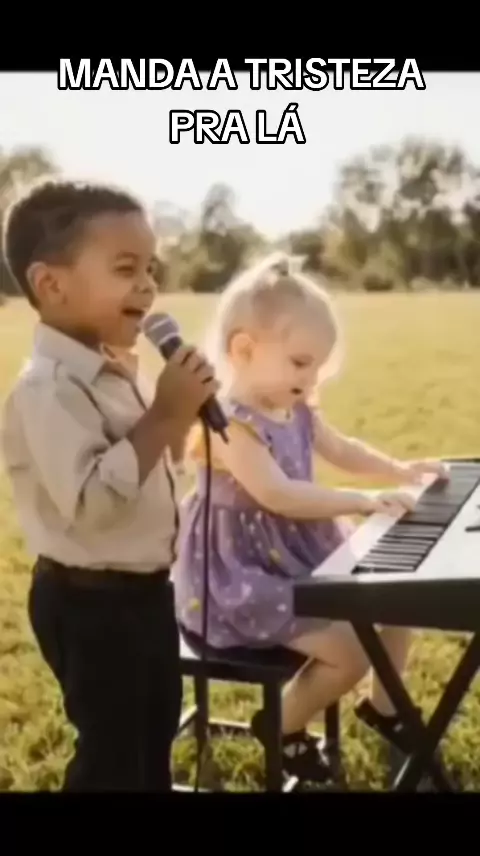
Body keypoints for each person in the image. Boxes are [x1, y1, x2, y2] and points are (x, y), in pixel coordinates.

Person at [172, 252, 448, 785]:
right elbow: (278, 495)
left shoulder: (294, 405)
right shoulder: (230, 424)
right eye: (301, 363)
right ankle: (281, 726)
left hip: (296, 556)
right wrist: (362, 501)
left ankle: (385, 709)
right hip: (240, 578)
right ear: (244, 350)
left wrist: (399, 469)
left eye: (318, 365)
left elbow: (340, 447)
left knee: (398, 601)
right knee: (350, 652)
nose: (312, 377)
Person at [0, 178, 219, 792]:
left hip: (144, 594)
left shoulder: (119, 370)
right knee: (112, 759)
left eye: (151, 268)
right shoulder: (47, 389)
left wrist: (181, 415)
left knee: (152, 739)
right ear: (52, 284)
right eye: (126, 269)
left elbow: (149, 464)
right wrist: (165, 414)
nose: (148, 286)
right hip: (89, 605)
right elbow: (95, 503)